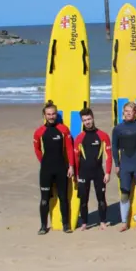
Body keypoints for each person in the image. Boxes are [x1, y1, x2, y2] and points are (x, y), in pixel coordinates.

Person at [33, 100, 75, 234]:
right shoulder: (39, 132)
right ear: (44, 115)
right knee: (45, 199)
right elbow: (37, 150)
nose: (51, 116)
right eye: (49, 114)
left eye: (53, 114)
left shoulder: (63, 129)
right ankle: (43, 226)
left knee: (63, 197)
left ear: (56, 115)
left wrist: (71, 166)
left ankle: (66, 225)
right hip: (46, 170)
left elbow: (69, 149)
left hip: (61, 168)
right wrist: (43, 162)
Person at [112, 101, 136, 232]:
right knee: (124, 193)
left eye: (131, 111)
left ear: (135, 113)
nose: (129, 113)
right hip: (125, 164)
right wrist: (117, 164)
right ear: (123, 113)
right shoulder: (118, 128)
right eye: (126, 111)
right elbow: (114, 148)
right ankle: (124, 222)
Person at [73, 108, 112, 231]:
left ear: (93, 118)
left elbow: (108, 156)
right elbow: (75, 158)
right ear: (82, 122)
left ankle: (102, 221)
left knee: (101, 198)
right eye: (85, 120)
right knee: (83, 200)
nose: (88, 122)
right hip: (83, 173)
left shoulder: (103, 136)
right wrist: (76, 174)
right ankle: (84, 223)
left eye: (89, 119)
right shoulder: (79, 138)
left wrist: (107, 172)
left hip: (98, 172)